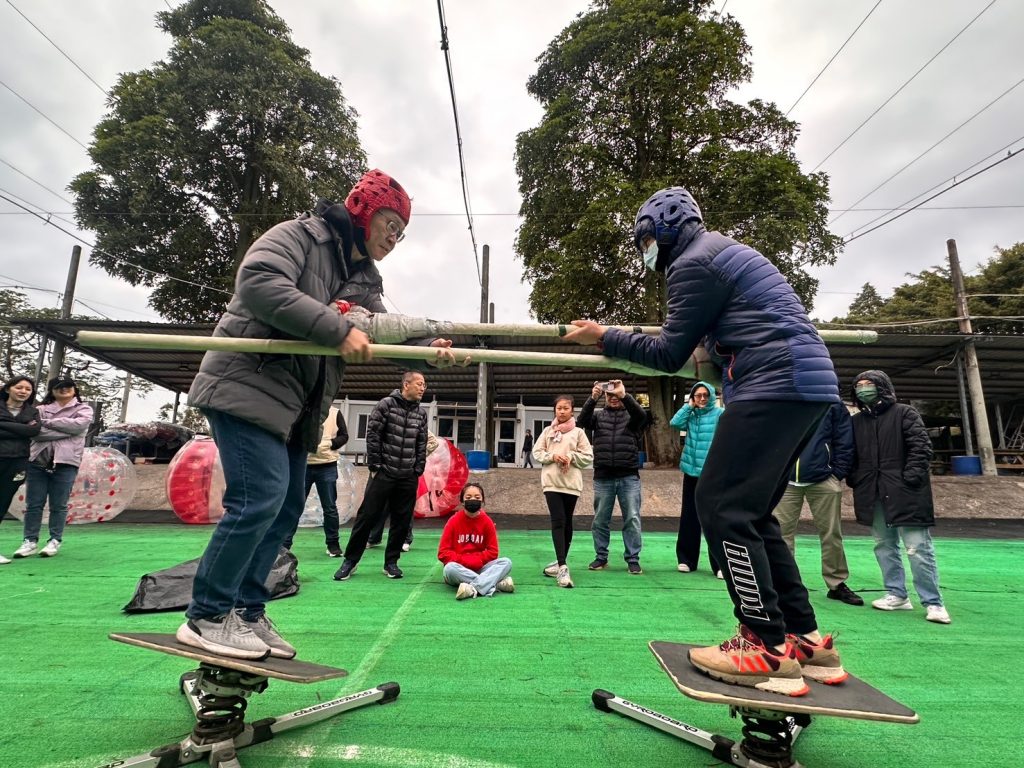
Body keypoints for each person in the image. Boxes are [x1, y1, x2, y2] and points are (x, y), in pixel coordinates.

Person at [564, 186, 845, 696]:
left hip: (773, 383)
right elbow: (725, 335)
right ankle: (803, 639)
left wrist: (605, 336)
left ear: (666, 229)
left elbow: (668, 352)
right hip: (807, 384)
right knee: (753, 513)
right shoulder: (723, 252)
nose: (646, 251)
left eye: (646, 240)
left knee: (720, 505)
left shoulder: (692, 263)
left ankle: (762, 643)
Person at [181, 169, 460, 660]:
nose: (394, 239)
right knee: (259, 498)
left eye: (402, 233)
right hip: (246, 383)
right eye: (391, 225)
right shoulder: (299, 236)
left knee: (285, 509)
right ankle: (207, 615)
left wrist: (428, 350)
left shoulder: (363, 278)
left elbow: (381, 330)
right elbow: (259, 283)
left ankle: (247, 612)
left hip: (298, 406)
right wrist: (336, 328)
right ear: (364, 211)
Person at [848, 370, 951, 624]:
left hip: (906, 492)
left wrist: (910, 478)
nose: (863, 388)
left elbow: (921, 447)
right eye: (859, 385)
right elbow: (851, 454)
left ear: (882, 386)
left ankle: (933, 602)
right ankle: (896, 594)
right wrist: (855, 477)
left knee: (917, 548)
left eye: (869, 384)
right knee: (884, 544)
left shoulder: (905, 413)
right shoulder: (857, 421)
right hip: (872, 491)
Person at [334, 371, 429, 582]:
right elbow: (373, 434)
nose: (423, 388)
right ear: (406, 384)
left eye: (424, 385)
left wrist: (418, 469)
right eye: (420, 384)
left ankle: (391, 563)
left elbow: (421, 443)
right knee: (367, 517)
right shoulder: (386, 405)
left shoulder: (421, 414)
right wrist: (375, 465)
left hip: (408, 476)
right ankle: (350, 561)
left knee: (401, 521)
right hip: (384, 472)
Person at [773, 401, 862, 606]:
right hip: (785, 481)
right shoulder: (781, 399)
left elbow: (844, 440)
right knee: (781, 535)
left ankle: (836, 584)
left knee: (831, 534)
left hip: (823, 478)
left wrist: (837, 473)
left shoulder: (832, 404)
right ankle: (784, 585)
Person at [13, 376, 94, 560]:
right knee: (34, 503)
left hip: (66, 462)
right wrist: (67, 430)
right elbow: (35, 432)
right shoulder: (39, 409)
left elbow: (79, 427)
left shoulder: (84, 409)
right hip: (37, 461)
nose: (64, 389)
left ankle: (55, 540)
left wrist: (46, 423)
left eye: (68, 386)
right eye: (59, 387)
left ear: (74, 389)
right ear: (51, 390)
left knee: (59, 504)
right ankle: (29, 540)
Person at [578, 379, 647, 574]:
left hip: (629, 476)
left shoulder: (632, 417)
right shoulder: (598, 417)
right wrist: (593, 398)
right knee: (600, 519)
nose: (613, 398)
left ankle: (633, 558)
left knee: (632, 518)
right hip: (603, 476)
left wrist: (625, 395)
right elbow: (581, 421)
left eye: (616, 394)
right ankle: (601, 557)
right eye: (609, 394)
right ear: (605, 397)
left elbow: (642, 416)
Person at [533, 394, 593, 589]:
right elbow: (537, 453)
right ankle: (562, 565)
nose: (562, 411)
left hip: (571, 484)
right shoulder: (547, 431)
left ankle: (560, 563)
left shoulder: (578, 433)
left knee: (567, 522)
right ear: (554, 410)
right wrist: (553, 456)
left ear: (572, 410)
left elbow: (588, 456)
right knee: (558, 520)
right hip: (551, 483)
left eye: (566, 408)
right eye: (559, 408)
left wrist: (571, 456)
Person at [669, 381, 723, 577]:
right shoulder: (691, 415)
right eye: (698, 395)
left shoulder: (720, 414)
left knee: (713, 519)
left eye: (705, 395)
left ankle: (720, 565)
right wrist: (689, 406)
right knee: (689, 517)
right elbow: (674, 423)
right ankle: (686, 560)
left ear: (711, 396)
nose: (702, 399)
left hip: (712, 474)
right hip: (691, 472)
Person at [281, 407, 349, 557]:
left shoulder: (335, 412)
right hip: (302, 465)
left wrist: (330, 444)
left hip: (327, 465)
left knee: (329, 508)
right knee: (293, 506)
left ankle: (333, 544)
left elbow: (344, 436)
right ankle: (285, 545)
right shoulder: (301, 408)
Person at [437, 483, 514, 600]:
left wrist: (478, 560)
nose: (473, 500)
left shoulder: (487, 522)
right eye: (468, 497)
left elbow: (493, 552)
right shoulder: (453, 521)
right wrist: (466, 561)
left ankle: (473, 588)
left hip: (481, 567)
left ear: (482, 500)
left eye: (477, 497)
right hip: (459, 568)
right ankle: (493, 584)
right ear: (462, 501)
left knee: (506, 562)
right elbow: (443, 553)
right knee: (449, 568)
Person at [365, 431, 439, 551]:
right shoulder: (382, 422)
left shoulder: (414, 423)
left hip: (405, 470)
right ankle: (373, 537)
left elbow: (433, 442)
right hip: (383, 469)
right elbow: (373, 440)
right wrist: (376, 463)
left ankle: (404, 539)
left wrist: (414, 459)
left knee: (404, 506)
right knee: (377, 504)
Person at [0, 376, 40, 564]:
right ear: (8, 389)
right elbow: (25, 431)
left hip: (17, 462)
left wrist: (3, 424)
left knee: (2, 502)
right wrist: (20, 428)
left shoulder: (32, 412)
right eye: (19, 387)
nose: (23, 391)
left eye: (28, 389)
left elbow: (33, 431)